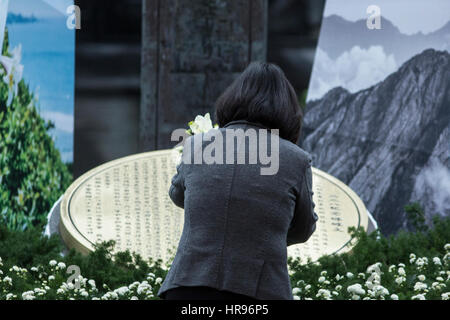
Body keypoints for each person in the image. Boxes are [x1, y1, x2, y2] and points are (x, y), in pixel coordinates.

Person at [158, 61, 318, 300]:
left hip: (187, 286)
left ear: (232, 98)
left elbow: (178, 194)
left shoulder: (197, 145)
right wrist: (264, 231)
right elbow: (304, 228)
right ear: (288, 110)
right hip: (258, 290)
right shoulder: (296, 159)